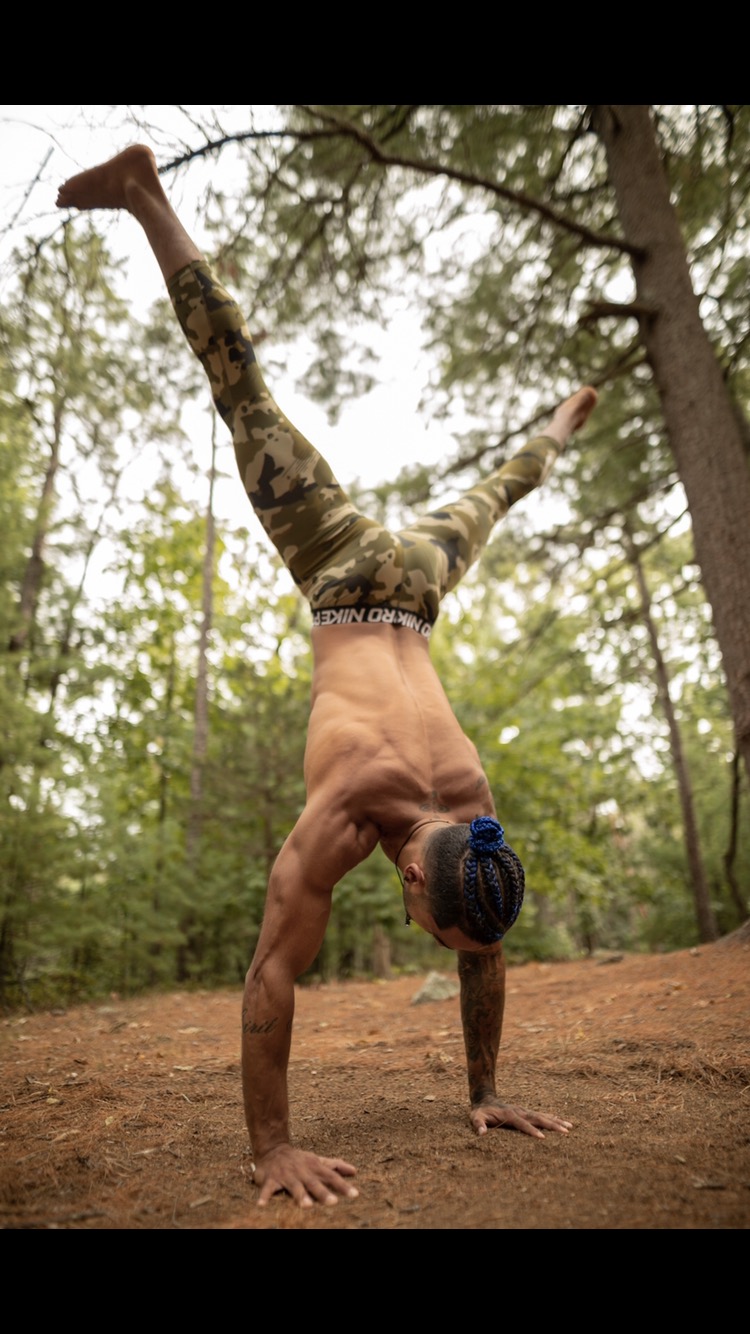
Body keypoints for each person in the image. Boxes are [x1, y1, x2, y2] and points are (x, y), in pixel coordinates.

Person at [57, 145, 598, 1209]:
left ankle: (554, 431)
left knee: (492, 494)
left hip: (416, 585)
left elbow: (482, 942)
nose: (447, 948)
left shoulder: (478, 830)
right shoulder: (348, 814)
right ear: (411, 882)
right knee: (240, 388)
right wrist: (273, 1147)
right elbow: (270, 972)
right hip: (349, 574)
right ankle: (143, 192)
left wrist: (487, 1090)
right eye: (436, 933)